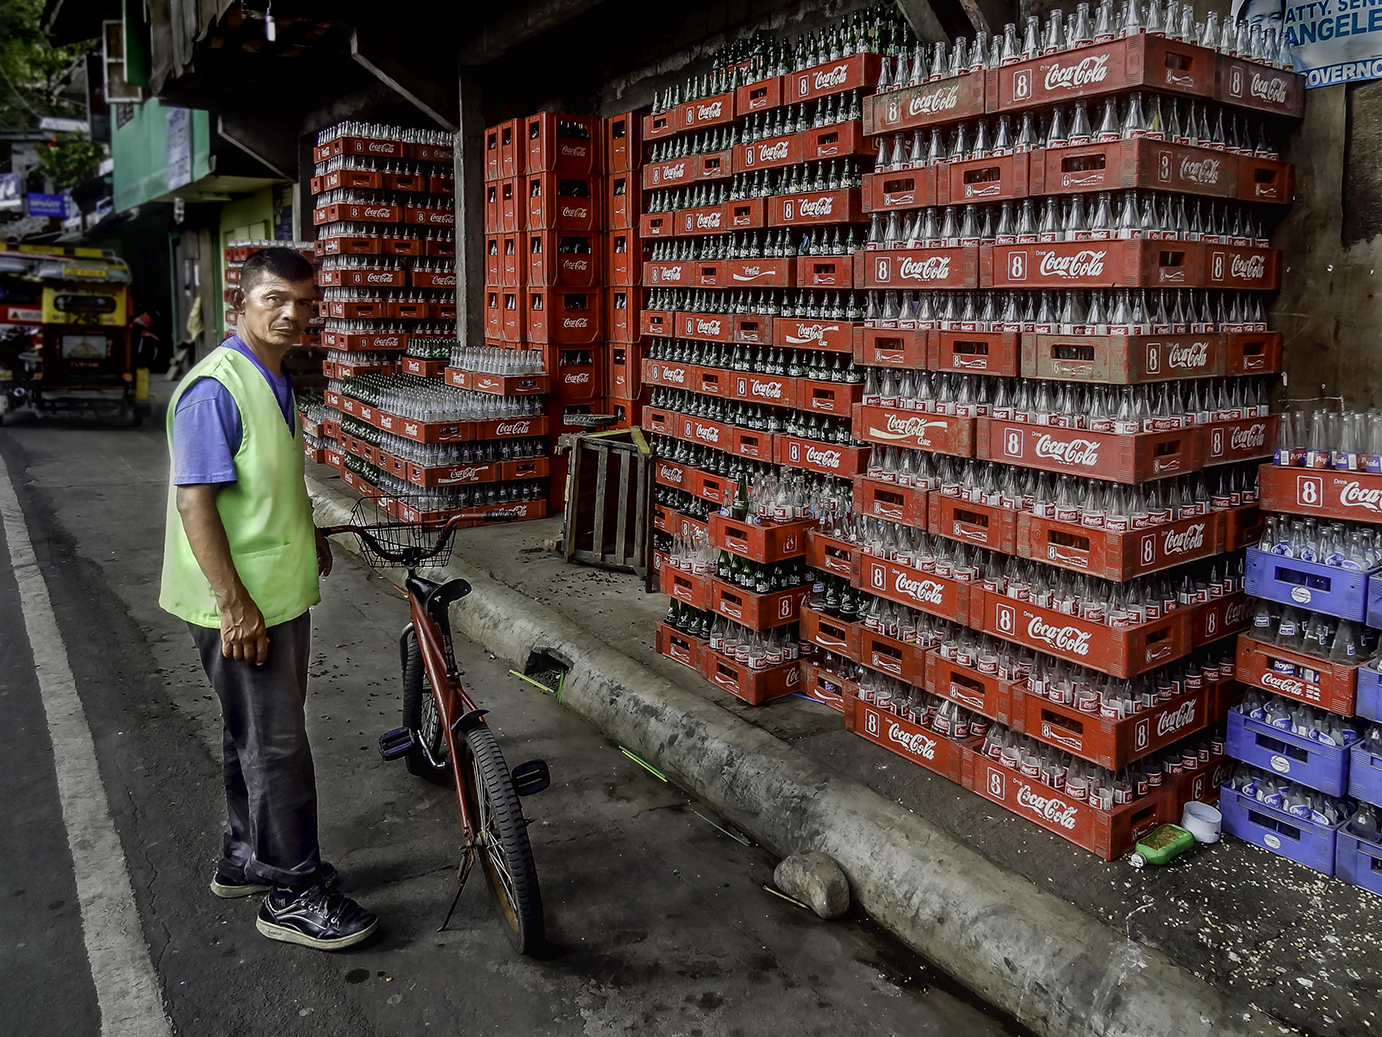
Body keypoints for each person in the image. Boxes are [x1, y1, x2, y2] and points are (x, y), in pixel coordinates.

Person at [159, 246, 377, 951]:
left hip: (273, 597)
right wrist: (235, 605)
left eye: (305, 302)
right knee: (279, 745)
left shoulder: (273, 378)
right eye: (276, 299)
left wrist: (306, 529)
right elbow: (196, 503)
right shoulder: (215, 387)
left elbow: (263, 482)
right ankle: (292, 888)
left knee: (250, 734)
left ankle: (245, 854)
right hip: (243, 603)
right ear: (241, 304)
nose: (293, 314)